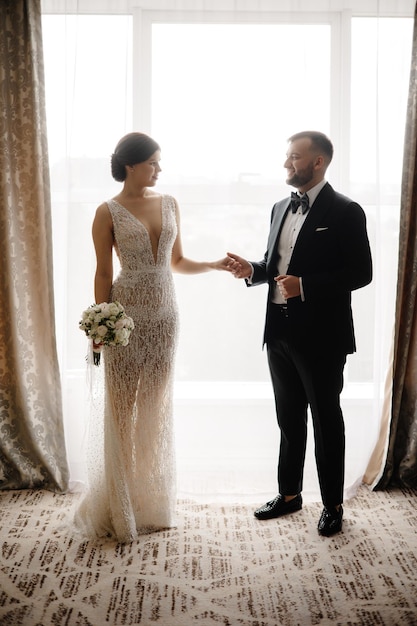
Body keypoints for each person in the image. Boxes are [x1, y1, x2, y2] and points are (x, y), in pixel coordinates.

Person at [75, 132, 230, 542]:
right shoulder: (106, 212)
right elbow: (104, 273)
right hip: (125, 316)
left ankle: (149, 501)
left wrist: (214, 264)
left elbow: (176, 261)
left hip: (165, 316)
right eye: (153, 163)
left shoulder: (170, 203)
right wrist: (102, 324)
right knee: (123, 411)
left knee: (154, 409)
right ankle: (119, 502)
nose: (160, 170)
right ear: (131, 165)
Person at [226, 131, 372, 536]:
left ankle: (333, 505)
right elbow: (275, 265)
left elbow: (361, 273)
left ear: (318, 162)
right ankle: (289, 495)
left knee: (327, 421)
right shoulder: (278, 207)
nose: (287, 164)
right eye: (287, 157)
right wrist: (252, 272)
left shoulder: (346, 210)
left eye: (294, 158)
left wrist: (305, 285)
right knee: (288, 419)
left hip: (322, 337)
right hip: (278, 332)